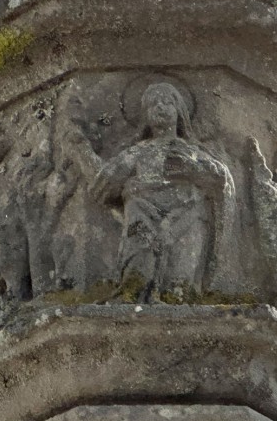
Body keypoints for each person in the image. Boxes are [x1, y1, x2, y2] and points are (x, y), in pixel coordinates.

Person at [92, 83, 234, 301]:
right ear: (145, 116)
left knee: (180, 282)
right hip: (143, 214)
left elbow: (220, 179)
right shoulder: (138, 151)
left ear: (180, 111)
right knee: (138, 264)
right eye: (153, 104)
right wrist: (120, 179)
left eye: (168, 102)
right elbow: (101, 187)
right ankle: (133, 291)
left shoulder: (191, 151)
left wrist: (191, 168)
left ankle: (179, 294)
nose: (160, 107)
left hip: (185, 218)